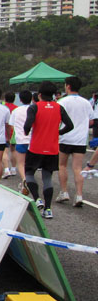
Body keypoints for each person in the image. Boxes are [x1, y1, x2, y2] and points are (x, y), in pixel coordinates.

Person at [22, 81, 73, 219]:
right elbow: (70, 125)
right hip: (52, 149)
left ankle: (37, 198)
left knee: (29, 173)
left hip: (36, 148)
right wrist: (59, 132)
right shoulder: (59, 107)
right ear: (53, 95)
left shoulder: (34, 107)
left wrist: (26, 131)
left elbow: (28, 124)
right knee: (47, 177)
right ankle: (48, 209)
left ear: (39, 95)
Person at [55, 77, 93, 208]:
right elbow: (92, 121)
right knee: (77, 168)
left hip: (65, 138)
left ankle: (64, 192)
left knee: (62, 165)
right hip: (80, 139)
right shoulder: (86, 102)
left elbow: (57, 119)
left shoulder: (62, 101)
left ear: (68, 86)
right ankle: (79, 195)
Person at [9, 90, 34, 193]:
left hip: (21, 140)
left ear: (20, 99)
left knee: (21, 163)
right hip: (33, 141)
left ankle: (24, 180)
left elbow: (11, 125)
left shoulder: (16, 110)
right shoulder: (34, 109)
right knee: (30, 163)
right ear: (31, 99)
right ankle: (28, 180)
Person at [1, 92, 18, 179]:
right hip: (14, 132)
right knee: (14, 151)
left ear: (5, 98)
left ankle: (6, 169)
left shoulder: (3, 108)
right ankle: (14, 169)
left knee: (5, 151)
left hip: (4, 132)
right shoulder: (17, 108)